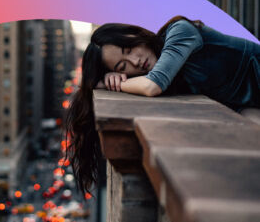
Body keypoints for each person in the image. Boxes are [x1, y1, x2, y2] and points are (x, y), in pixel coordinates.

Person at [64, 15, 260, 195]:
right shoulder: (172, 73)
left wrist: (119, 83)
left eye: (129, 49)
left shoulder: (180, 31)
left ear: (135, 34)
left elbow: (152, 86)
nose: (135, 61)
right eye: (123, 66)